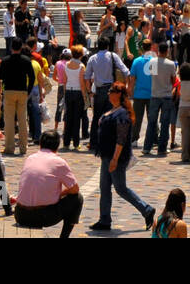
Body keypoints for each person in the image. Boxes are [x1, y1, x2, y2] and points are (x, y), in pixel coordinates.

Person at [90, 83, 154, 232]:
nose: (108, 93)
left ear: (119, 94)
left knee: (120, 188)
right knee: (104, 187)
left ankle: (146, 209)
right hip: (106, 155)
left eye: (111, 91)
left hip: (116, 157)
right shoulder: (114, 110)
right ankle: (104, 220)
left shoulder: (123, 114)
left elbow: (121, 139)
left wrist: (115, 159)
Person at [14, 130, 83, 237]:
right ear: (57, 146)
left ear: (40, 144)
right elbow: (75, 189)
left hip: (20, 214)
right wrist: (60, 194)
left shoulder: (30, 158)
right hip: (43, 216)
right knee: (77, 198)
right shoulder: (59, 162)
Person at [0, 36, 34, 156]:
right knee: (22, 120)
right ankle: (23, 147)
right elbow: (32, 77)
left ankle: (9, 147)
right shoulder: (26, 60)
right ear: (21, 47)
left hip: (9, 90)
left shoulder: (5, 60)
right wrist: (28, 91)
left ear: (11, 47)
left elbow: (0, 77)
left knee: (8, 120)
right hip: (22, 91)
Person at [142, 42, 176, 157]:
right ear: (167, 51)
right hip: (166, 95)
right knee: (165, 123)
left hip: (155, 94)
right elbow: (173, 79)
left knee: (152, 122)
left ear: (158, 51)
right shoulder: (171, 64)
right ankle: (162, 148)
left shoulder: (152, 61)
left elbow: (150, 74)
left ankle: (147, 147)